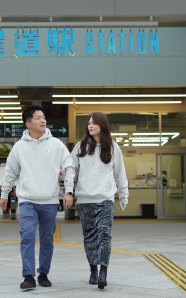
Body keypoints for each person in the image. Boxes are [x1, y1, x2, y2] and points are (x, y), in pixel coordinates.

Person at [0, 105, 75, 290]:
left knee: (47, 239)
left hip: (49, 200)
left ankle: (43, 274)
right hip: (27, 200)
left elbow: (69, 167)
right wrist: (4, 195)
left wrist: (69, 191)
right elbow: (10, 173)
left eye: (44, 117)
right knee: (26, 237)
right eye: (38, 118)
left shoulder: (56, 144)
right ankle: (28, 276)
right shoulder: (19, 147)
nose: (43, 121)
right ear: (28, 123)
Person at [68, 112, 129, 289]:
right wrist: (69, 191)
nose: (90, 126)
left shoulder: (113, 147)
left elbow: (120, 174)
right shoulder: (80, 147)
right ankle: (93, 269)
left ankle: (103, 270)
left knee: (104, 235)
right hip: (86, 200)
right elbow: (71, 170)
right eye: (88, 123)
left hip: (105, 199)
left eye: (94, 123)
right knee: (89, 237)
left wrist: (123, 195)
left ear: (103, 125)